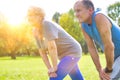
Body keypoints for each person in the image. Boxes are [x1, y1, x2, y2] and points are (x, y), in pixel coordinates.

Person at [27, 6, 84, 80]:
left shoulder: (46, 24)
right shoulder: (35, 31)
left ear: (40, 15)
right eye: (28, 16)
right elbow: (42, 52)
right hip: (64, 56)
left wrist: (54, 67)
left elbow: (52, 47)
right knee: (77, 78)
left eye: (32, 15)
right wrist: (50, 69)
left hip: (72, 52)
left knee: (54, 79)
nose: (29, 18)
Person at [74, 0, 120, 80]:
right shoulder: (83, 25)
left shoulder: (99, 17)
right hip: (115, 57)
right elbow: (91, 48)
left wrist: (109, 69)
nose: (76, 14)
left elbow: (109, 46)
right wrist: (99, 70)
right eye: (75, 11)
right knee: (104, 77)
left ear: (90, 10)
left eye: (79, 11)